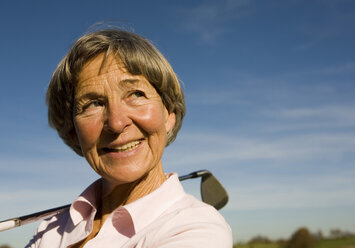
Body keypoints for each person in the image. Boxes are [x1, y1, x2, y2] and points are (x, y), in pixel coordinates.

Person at [26, 29, 232, 248]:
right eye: (93, 104)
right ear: (73, 133)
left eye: (136, 94)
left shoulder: (199, 229)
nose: (116, 123)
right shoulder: (49, 230)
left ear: (169, 115)